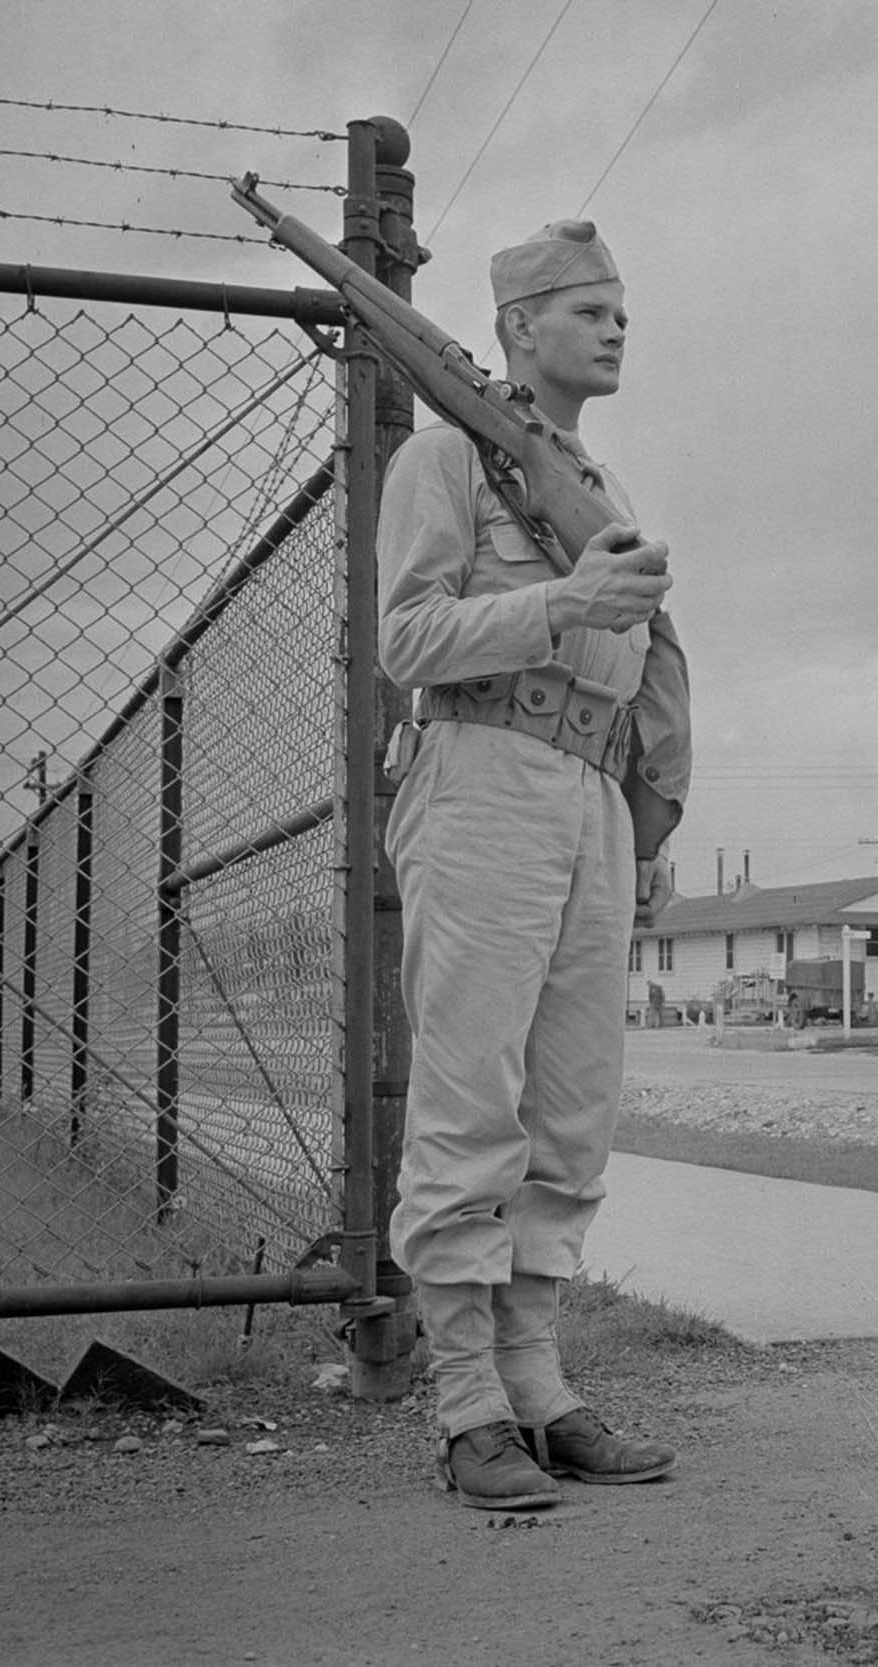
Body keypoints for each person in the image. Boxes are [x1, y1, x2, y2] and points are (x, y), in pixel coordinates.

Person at [375, 219, 691, 1510]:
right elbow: (407, 640)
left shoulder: (595, 488)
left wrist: (644, 818)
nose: (617, 327)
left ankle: (542, 1393)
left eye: (622, 309)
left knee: (573, 1111)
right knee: (471, 1105)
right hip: (483, 783)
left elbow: (640, 667)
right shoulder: (444, 459)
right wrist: (559, 604)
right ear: (514, 329)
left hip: (588, 803)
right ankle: (467, 1410)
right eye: (589, 309)